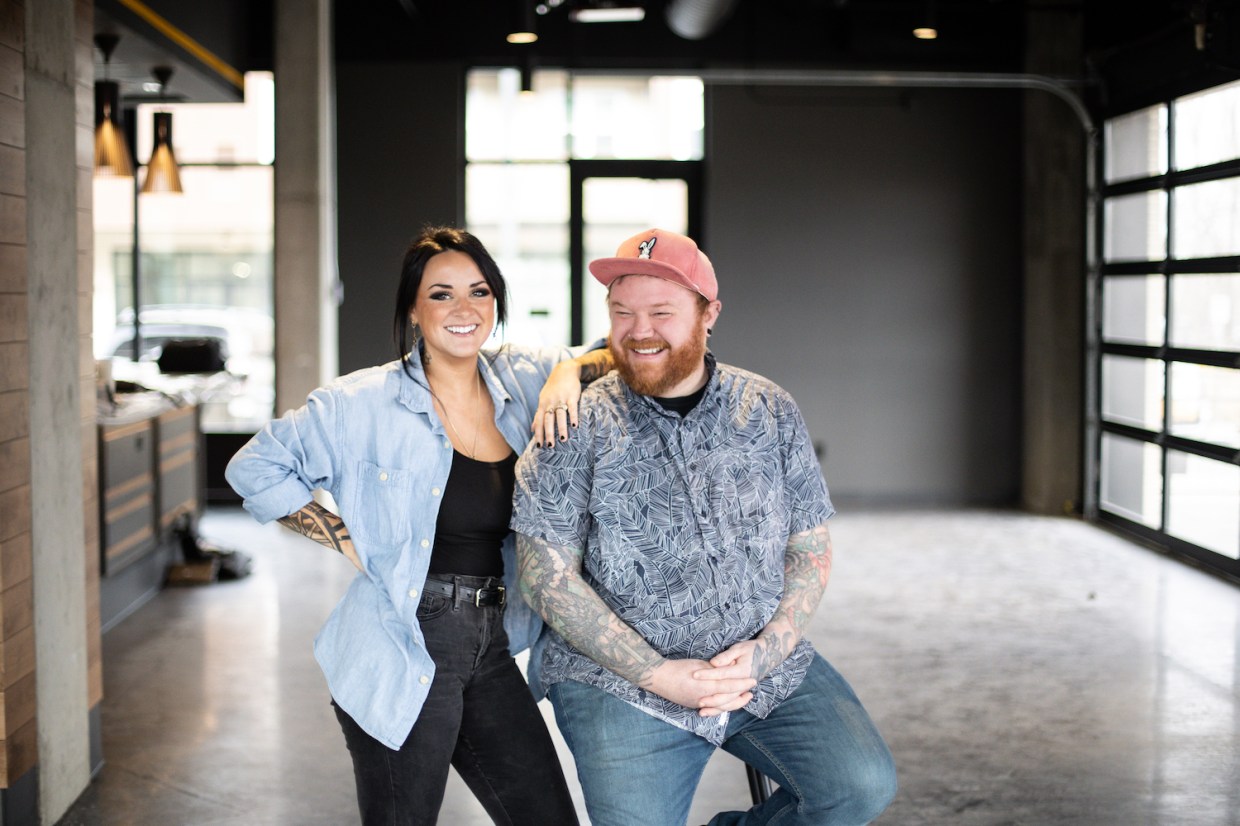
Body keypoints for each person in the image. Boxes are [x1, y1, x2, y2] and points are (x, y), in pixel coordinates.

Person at [226, 226, 611, 826]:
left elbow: (615, 349)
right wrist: (349, 543)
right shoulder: (361, 403)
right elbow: (255, 467)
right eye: (441, 294)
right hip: (405, 639)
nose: (464, 310)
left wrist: (567, 374)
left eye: (479, 292)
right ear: (413, 308)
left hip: (492, 639)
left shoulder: (523, 379)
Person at [511, 228, 898, 826]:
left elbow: (810, 547)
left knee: (860, 787)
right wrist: (660, 674)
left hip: (760, 667)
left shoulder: (768, 410)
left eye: (661, 313)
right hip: (619, 681)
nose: (639, 331)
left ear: (708, 313)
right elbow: (544, 575)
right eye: (622, 313)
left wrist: (766, 651)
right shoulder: (573, 423)